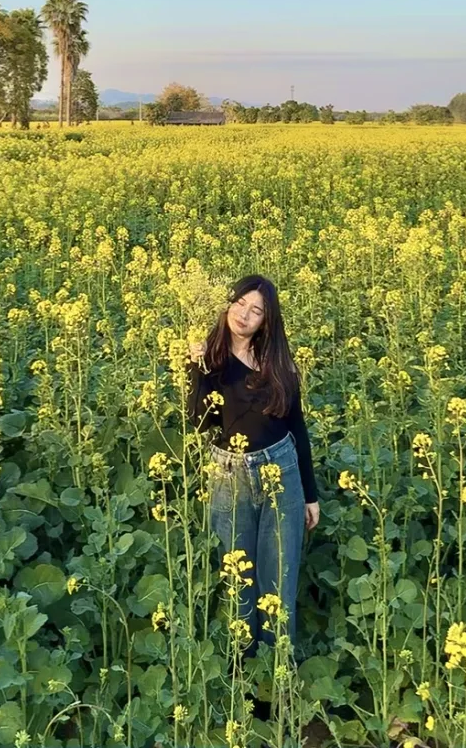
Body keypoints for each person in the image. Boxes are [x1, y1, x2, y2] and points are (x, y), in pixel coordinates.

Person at [186, 273, 320, 659]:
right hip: (229, 475)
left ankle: (277, 673)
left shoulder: (275, 363)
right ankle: (241, 672)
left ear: (266, 321)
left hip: (283, 470)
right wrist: (195, 370)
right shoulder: (209, 361)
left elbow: (297, 427)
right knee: (237, 577)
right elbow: (198, 423)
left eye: (256, 310)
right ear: (228, 304)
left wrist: (310, 495)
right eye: (241, 303)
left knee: (279, 577)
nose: (245, 314)